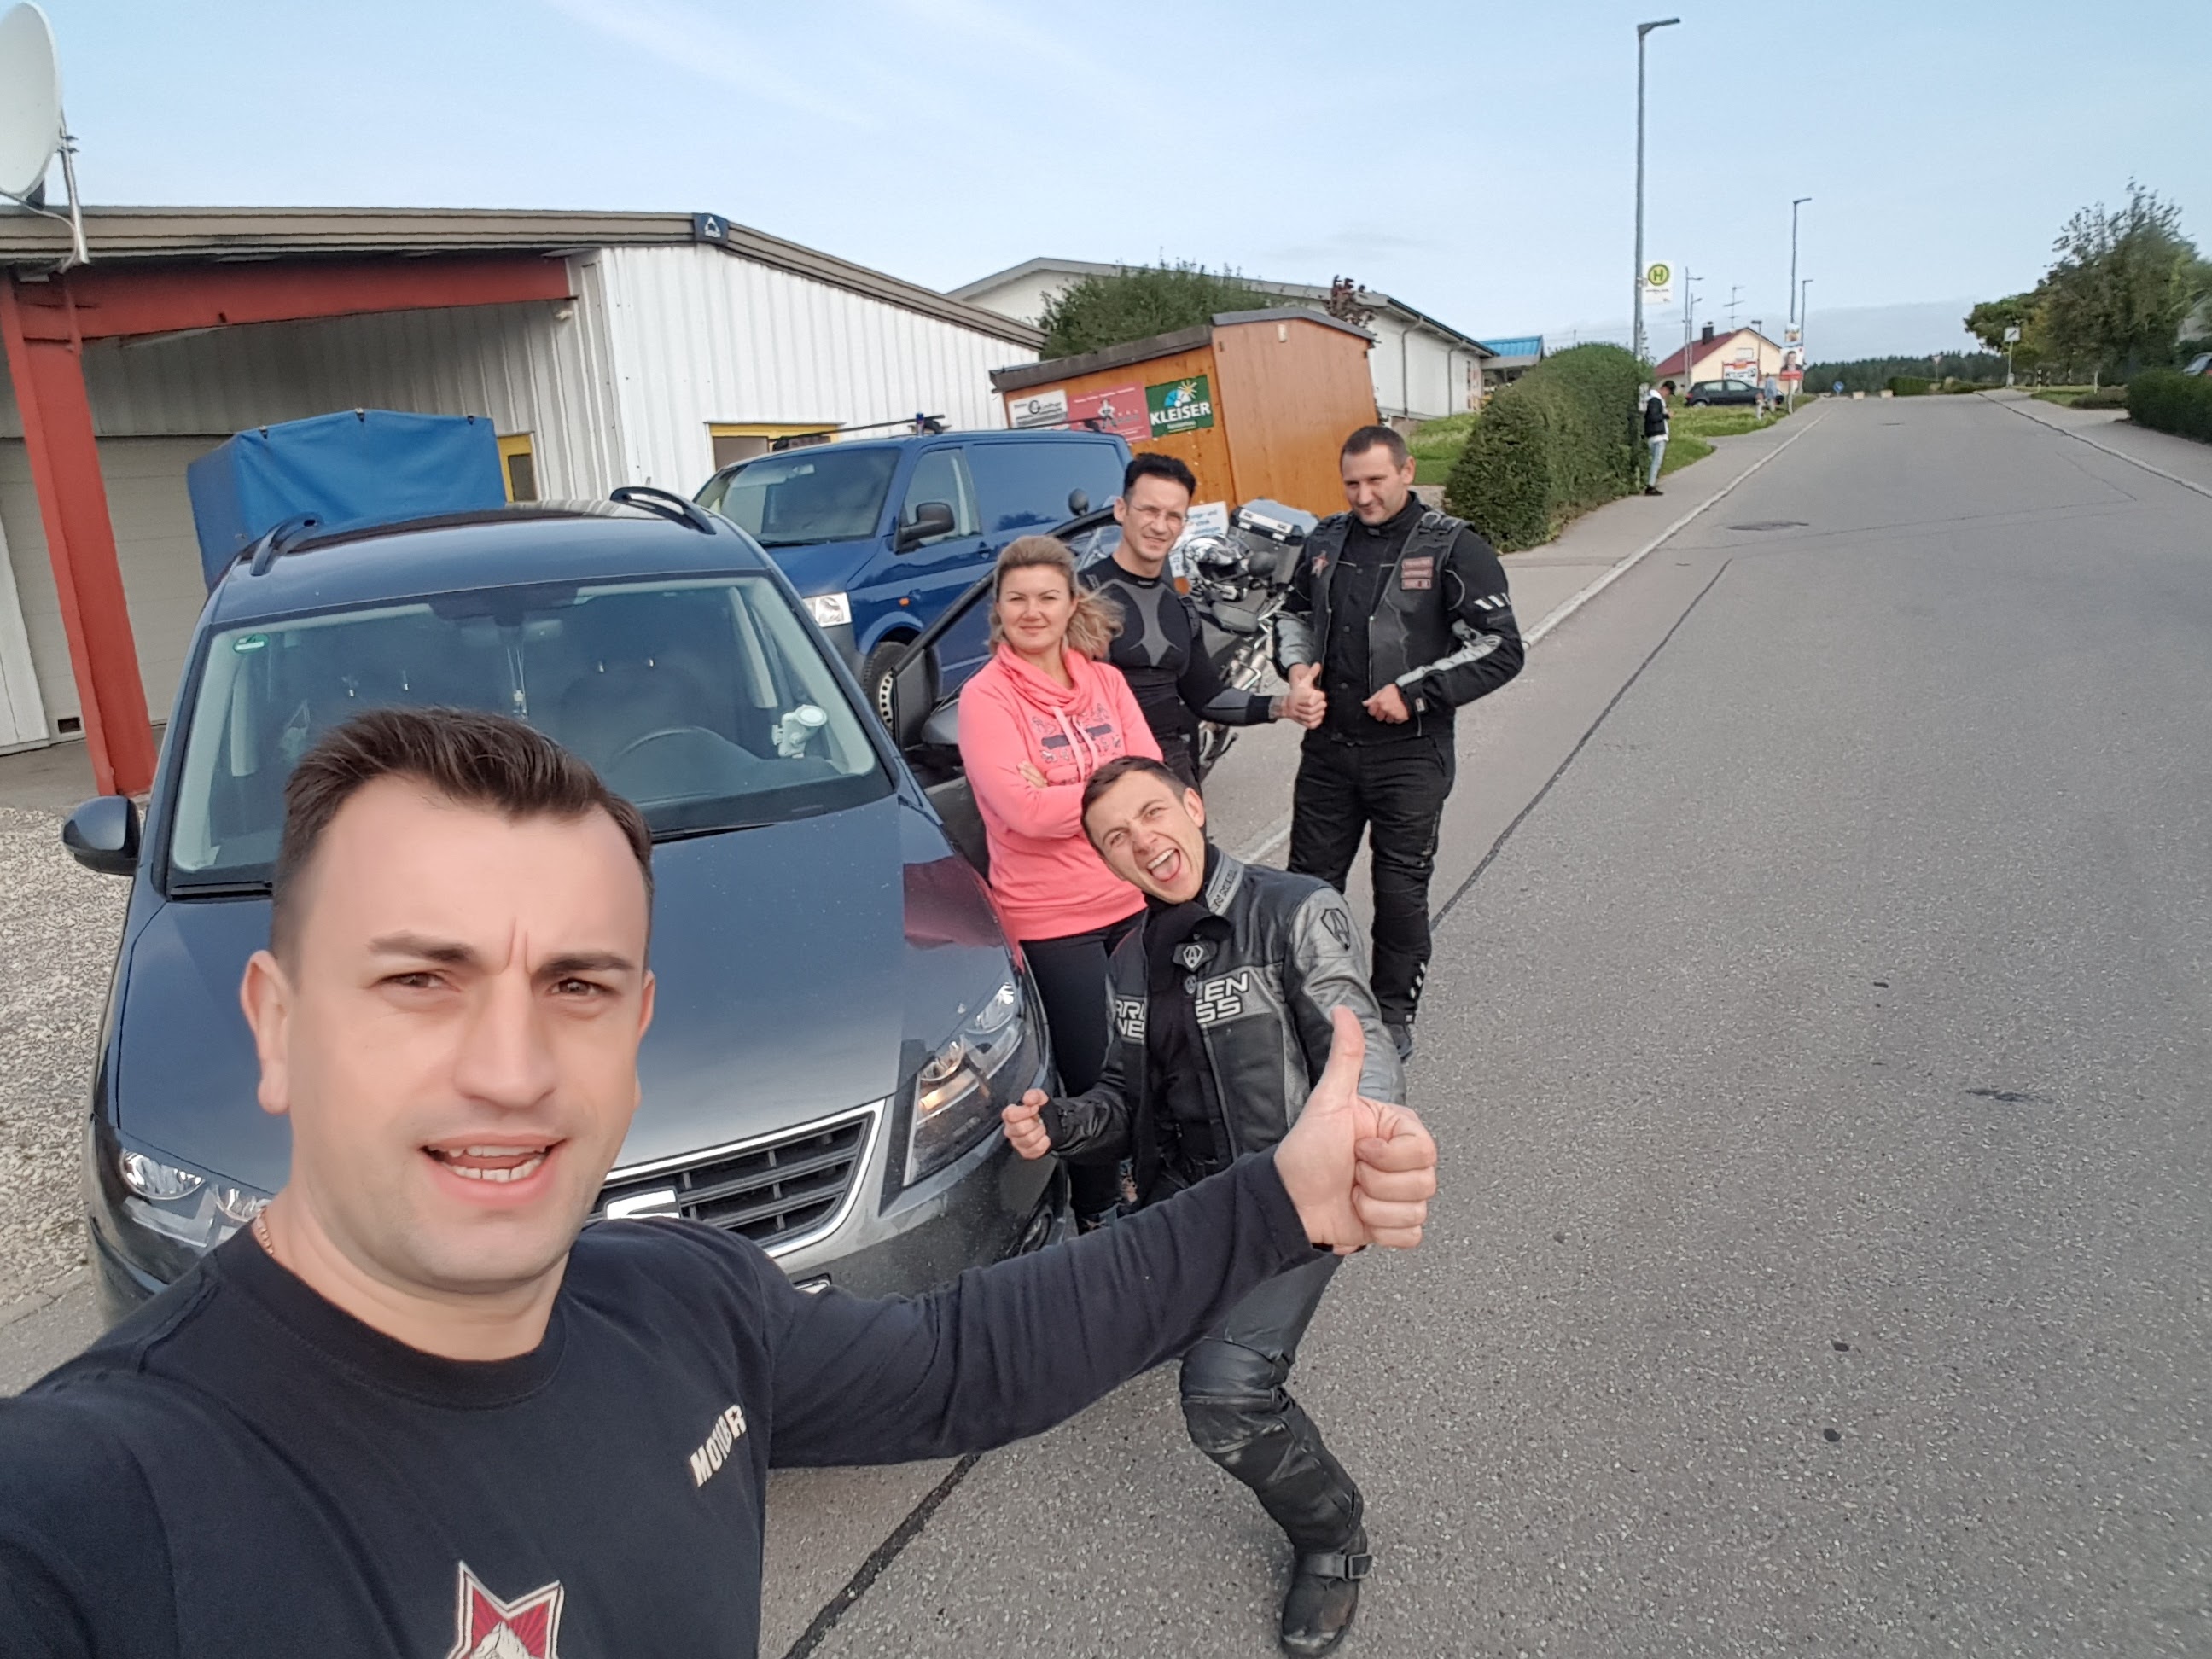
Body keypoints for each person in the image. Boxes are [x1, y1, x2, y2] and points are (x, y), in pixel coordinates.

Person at [0, 707, 1439, 1658]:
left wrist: (1288, 1194)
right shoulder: (98, 1504)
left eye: (574, 984)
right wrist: (1069, 1130)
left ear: (632, 1032)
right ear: (277, 1025)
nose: (508, 1066)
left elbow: (961, 1359)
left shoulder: (684, 1299)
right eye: (421, 979)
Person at [1003, 755, 1404, 1656]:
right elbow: (1120, 1097)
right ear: (1106, 860)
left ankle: (1333, 1536)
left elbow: (1361, 1051)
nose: (1142, 841)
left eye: (1153, 813)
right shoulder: (1127, 961)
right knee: (1078, 1311)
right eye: (1116, 836)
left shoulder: (1293, 910)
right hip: (1185, 1202)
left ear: (1193, 806)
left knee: (1224, 1398)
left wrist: (1364, 1142)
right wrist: (1059, 1125)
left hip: (1289, 1196)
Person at [1278, 425, 1524, 1062]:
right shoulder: (1325, 539)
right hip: (1329, 750)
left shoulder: (1454, 545)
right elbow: (1292, 614)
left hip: (1410, 754)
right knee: (1306, 887)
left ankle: (1391, 1012)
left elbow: (1502, 648)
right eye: (1352, 483)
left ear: (1407, 471)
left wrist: (1415, 692)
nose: (1363, 496)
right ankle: (1309, 1002)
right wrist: (1297, 673)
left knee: (1399, 890)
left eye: (1376, 481)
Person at [957, 534, 1160, 1225]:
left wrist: (1060, 788)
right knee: (1094, 1073)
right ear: (999, 609)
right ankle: (1100, 1210)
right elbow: (1023, 811)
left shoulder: (1105, 682)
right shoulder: (986, 699)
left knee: (1152, 1051)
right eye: (1017, 599)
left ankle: (1154, 1179)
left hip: (1133, 896)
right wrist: (1108, 791)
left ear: (1072, 603)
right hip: (1054, 921)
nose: (1033, 611)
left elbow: (1150, 774)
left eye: (1048, 597)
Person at [1089, 452, 1324, 785]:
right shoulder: (1081, 597)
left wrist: (1284, 706)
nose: (1160, 526)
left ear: (1184, 525)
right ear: (1121, 510)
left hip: (1173, 777)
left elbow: (1209, 698)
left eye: (1173, 516)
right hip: (1106, 780)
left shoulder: (1179, 609)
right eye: (1149, 511)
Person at [1644, 380, 1674, 493]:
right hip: (1658, 435)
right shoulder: (1655, 400)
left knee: (1654, 460)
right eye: (1669, 393)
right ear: (1665, 389)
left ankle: (1651, 483)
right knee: (1657, 461)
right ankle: (1651, 486)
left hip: (1654, 433)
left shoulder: (1652, 398)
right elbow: (1653, 417)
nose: (1668, 396)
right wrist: (1666, 415)